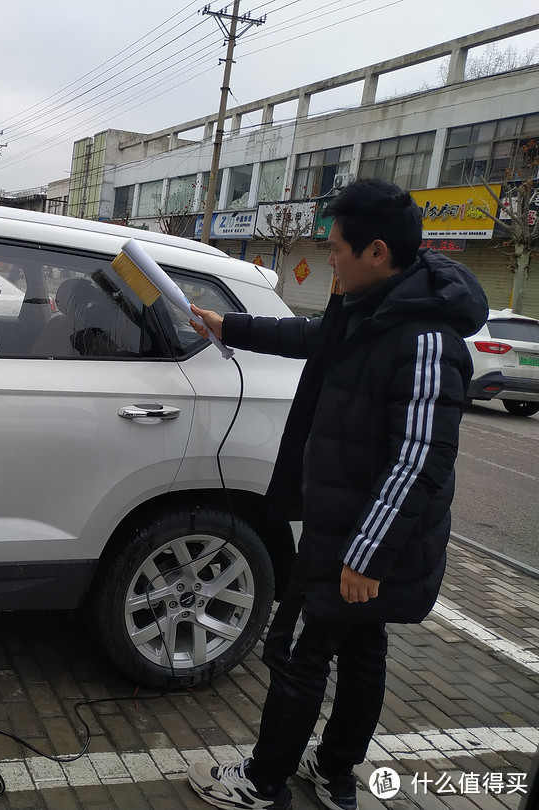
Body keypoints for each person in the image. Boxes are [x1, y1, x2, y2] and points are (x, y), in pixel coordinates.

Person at [185, 178, 488, 810]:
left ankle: (266, 783)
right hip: (348, 528)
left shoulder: (426, 340)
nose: (331, 260)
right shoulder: (371, 308)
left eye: (338, 248)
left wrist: (364, 556)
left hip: (364, 538)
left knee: (300, 653)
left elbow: (420, 460)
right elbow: (309, 339)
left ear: (377, 252)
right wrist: (227, 325)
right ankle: (335, 774)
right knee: (361, 650)